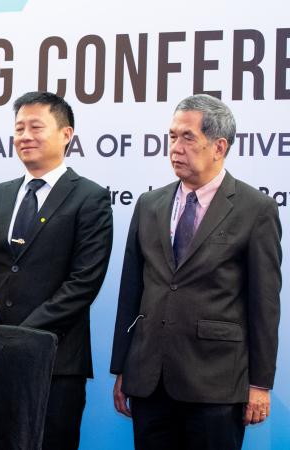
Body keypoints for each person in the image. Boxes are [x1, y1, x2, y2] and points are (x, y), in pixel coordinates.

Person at [110, 94, 281, 450]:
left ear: (219, 147)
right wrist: (123, 368)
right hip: (149, 380)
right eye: (172, 136)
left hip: (215, 383)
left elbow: (264, 304)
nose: (175, 147)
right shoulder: (149, 204)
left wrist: (260, 384)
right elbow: (131, 290)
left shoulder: (256, 209)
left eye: (188, 137)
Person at [0, 91, 113, 450]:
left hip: (57, 361)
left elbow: (83, 282)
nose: (25, 137)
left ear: (66, 134)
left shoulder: (89, 198)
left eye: (36, 127)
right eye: (19, 129)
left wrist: (22, 336)